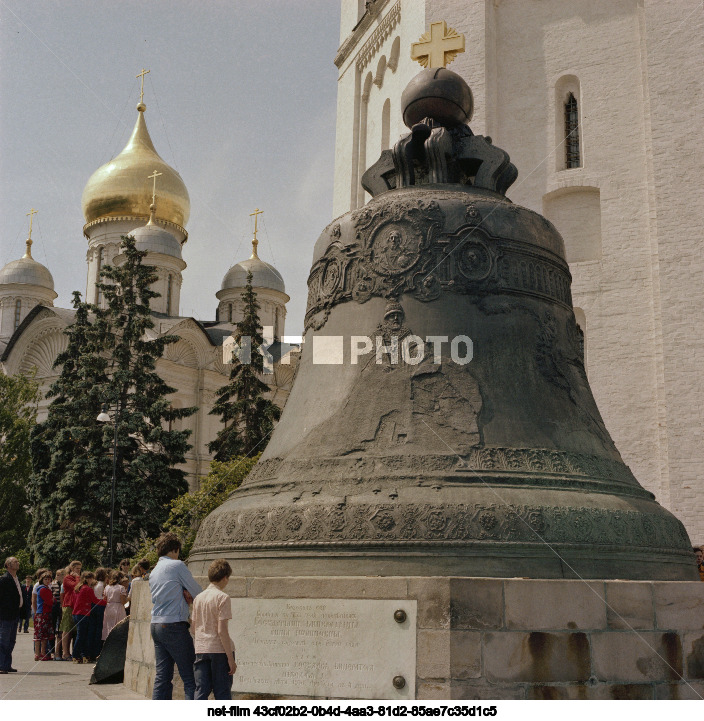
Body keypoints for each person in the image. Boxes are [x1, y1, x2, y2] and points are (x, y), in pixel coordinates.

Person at [149, 532, 202, 700]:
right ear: (175, 550)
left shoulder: (154, 570)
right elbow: (198, 592)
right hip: (173, 625)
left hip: (156, 625)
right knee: (191, 677)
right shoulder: (177, 565)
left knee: (163, 677)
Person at [192, 559, 237, 700]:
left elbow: (193, 628)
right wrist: (230, 659)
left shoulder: (198, 598)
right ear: (225, 578)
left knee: (201, 691)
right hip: (219, 651)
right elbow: (222, 631)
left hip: (201, 649)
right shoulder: (223, 598)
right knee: (222, 692)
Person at [71, 571, 103, 663]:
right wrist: (106, 602)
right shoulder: (87, 589)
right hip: (83, 614)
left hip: (76, 613)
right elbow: (95, 600)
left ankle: (82, 654)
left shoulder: (78, 588)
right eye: (92, 578)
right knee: (81, 636)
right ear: (88, 579)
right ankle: (76, 655)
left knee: (81, 635)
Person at [0, 556, 22, 674]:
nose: (17, 563)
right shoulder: (4, 579)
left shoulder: (16, 579)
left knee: (11, 641)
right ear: (8, 565)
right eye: (15, 562)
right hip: (5, 615)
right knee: (3, 641)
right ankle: (1, 665)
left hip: (15, 614)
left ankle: (7, 664)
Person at [33, 571, 54, 661]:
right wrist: (53, 600)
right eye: (45, 579)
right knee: (40, 635)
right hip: (43, 613)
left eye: (49, 579)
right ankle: (39, 653)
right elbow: (50, 602)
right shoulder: (43, 589)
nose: (47, 581)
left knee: (43, 635)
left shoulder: (46, 588)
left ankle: (42, 653)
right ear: (42, 580)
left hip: (45, 613)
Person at [102, 570, 127, 641]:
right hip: (118, 608)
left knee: (109, 626)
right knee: (118, 626)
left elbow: (105, 599)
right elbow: (123, 601)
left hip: (109, 607)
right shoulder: (121, 588)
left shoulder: (107, 587)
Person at [51, 569, 65, 660]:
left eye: (60, 575)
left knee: (60, 630)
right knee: (52, 629)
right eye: (57, 575)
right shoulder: (53, 584)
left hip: (61, 607)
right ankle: (52, 651)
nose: (58, 576)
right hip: (54, 607)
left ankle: (59, 651)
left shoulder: (64, 584)